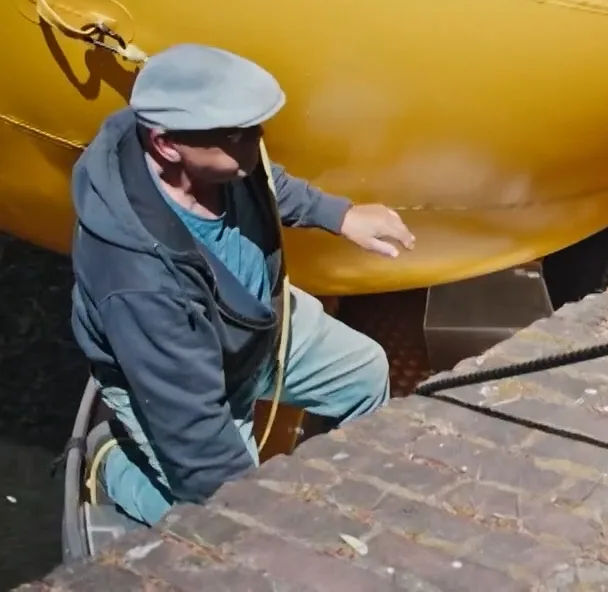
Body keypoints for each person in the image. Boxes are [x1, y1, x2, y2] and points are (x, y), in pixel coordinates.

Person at [69, 43, 416, 526]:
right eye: (239, 135)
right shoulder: (138, 282)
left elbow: (260, 178)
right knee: (220, 518)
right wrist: (255, 523)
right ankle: (114, 463)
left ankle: (352, 502)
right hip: (192, 378)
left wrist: (339, 215)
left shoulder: (220, 154)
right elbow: (194, 428)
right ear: (166, 145)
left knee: (365, 372)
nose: (257, 143)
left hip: (260, 328)